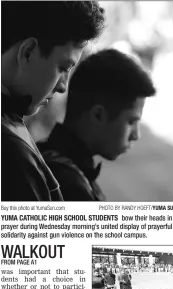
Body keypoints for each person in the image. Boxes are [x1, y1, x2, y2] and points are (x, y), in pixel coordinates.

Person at [1, 1, 105, 201]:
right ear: (28, 52)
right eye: (63, 68)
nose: (63, 86)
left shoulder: (11, 123)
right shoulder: (11, 149)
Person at [38, 49, 155, 201]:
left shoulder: (43, 154)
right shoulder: (70, 187)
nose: (136, 135)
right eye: (131, 122)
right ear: (98, 115)